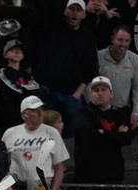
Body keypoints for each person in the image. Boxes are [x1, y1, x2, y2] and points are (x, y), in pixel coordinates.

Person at [34, 0, 98, 139]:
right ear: (65, 11)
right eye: (71, 9)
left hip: (72, 96)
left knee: (73, 138)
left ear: (83, 15)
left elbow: (91, 69)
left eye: (78, 10)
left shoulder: (88, 38)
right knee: (44, 136)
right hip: (48, 92)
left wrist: (77, 94)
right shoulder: (52, 28)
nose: (74, 12)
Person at [74, 76, 131, 184]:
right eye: (96, 90)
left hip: (113, 173)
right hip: (86, 174)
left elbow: (126, 139)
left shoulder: (120, 115)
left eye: (103, 90)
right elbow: (89, 135)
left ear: (111, 94)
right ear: (91, 94)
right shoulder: (82, 113)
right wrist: (116, 134)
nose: (99, 93)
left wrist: (102, 132)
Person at [97, 25, 138, 131]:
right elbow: (90, 84)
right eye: (120, 40)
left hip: (122, 112)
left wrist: (136, 112)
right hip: (100, 111)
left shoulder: (134, 59)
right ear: (112, 39)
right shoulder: (99, 57)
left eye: (127, 41)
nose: (123, 44)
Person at [0, 39, 41, 133]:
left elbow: (36, 89)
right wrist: (27, 89)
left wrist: (24, 89)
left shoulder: (26, 73)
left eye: (19, 50)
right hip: (9, 117)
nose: (17, 52)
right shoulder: (3, 72)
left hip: (26, 118)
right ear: (5, 55)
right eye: (12, 50)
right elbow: (11, 92)